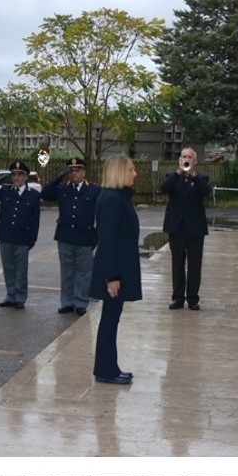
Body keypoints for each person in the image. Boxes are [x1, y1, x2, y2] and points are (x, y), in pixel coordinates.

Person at [89, 154, 141, 385]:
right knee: (109, 321)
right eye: (131, 170)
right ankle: (105, 371)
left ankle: (110, 367)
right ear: (119, 172)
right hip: (114, 270)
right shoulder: (111, 199)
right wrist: (112, 276)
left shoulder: (118, 197)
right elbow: (107, 241)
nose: (135, 174)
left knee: (112, 320)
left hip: (120, 267)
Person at [41, 156, 99, 316]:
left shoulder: (94, 190)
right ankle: (67, 302)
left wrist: (97, 234)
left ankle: (80, 302)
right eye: (71, 171)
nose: (74, 174)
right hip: (65, 236)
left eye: (77, 170)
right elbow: (45, 194)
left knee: (83, 272)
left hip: (85, 236)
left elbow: (100, 214)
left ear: (84, 172)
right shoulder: (63, 188)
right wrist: (60, 176)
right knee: (67, 270)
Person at [0, 159, 41, 310]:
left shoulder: (33, 195)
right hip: (6, 235)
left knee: (21, 269)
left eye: (20, 175)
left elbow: (35, 220)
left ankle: (20, 297)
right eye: (14, 175)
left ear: (26, 177)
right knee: (8, 267)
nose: (16, 178)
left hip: (22, 237)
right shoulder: (6, 190)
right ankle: (10, 295)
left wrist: (32, 238)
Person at [161, 146, 210, 310]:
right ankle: (177, 297)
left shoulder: (201, 177)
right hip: (176, 227)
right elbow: (163, 188)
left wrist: (194, 176)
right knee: (177, 264)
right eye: (184, 156)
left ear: (195, 161)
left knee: (195, 264)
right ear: (180, 159)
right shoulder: (173, 177)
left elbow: (206, 191)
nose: (187, 159)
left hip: (195, 228)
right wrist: (178, 173)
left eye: (190, 157)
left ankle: (193, 298)